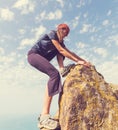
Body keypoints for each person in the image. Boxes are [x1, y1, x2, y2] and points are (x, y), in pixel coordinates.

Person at [27, 23, 91, 129]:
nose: (65, 32)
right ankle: (44, 118)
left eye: (67, 31)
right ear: (58, 29)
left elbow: (69, 52)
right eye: (63, 29)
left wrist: (84, 61)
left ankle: (62, 69)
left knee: (57, 68)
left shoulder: (61, 42)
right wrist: (78, 61)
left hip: (41, 57)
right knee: (54, 74)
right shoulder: (52, 34)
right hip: (33, 55)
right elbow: (61, 50)